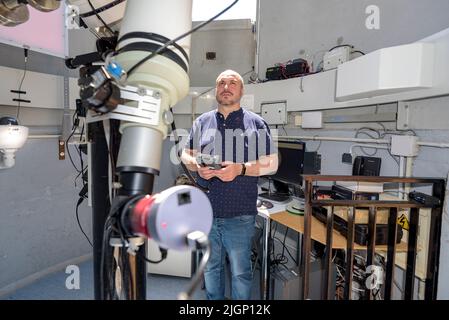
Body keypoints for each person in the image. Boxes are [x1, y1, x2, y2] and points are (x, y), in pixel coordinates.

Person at [181, 69, 278, 300]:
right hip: (207, 212)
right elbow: (186, 154)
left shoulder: (256, 123)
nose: (226, 87)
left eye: (232, 83)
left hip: (240, 215)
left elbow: (272, 163)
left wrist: (240, 169)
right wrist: (195, 164)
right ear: (216, 90)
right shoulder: (202, 122)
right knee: (212, 269)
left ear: (241, 90)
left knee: (240, 273)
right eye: (221, 83)